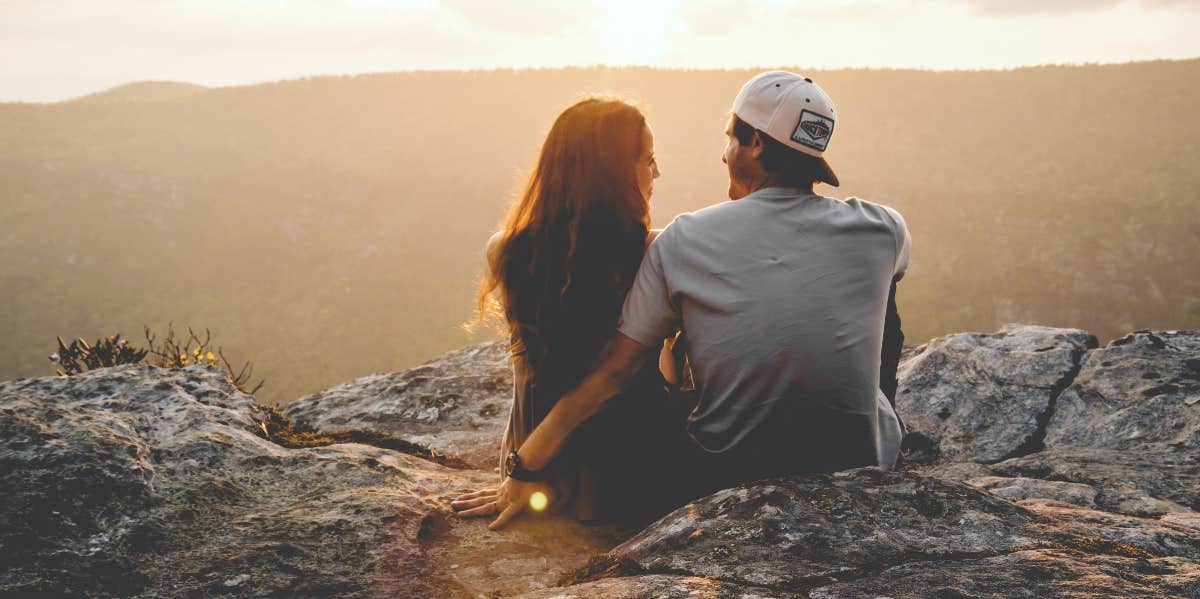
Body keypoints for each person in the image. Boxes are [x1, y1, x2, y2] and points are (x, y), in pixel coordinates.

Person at [455, 71, 910, 530]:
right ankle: (870, 423)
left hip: (721, 474)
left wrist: (524, 464)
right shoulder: (885, 228)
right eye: (648, 160)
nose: (722, 152)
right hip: (860, 467)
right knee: (879, 302)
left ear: (753, 143)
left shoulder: (684, 240)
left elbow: (614, 372)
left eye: (730, 138)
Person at [451, 96, 683, 525]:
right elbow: (616, 377)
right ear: (612, 175)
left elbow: (529, 379)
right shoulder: (655, 251)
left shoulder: (505, 250)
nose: (657, 173)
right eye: (648, 160)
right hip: (631, 474)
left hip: (541, 472)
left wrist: (517, 468)